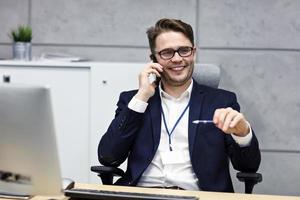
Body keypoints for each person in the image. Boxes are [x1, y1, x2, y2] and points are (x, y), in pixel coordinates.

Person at [98, 18, 261, 192]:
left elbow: (248, 167)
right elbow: (108, 157)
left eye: (184, 50)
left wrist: (243, 133)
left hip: (198, 196)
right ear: (154, 59)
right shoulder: (135, 101)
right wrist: (141, 97)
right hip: (143, 194)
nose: (177, 59)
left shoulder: (221, 102)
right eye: (167, 52)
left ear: (193, 53)